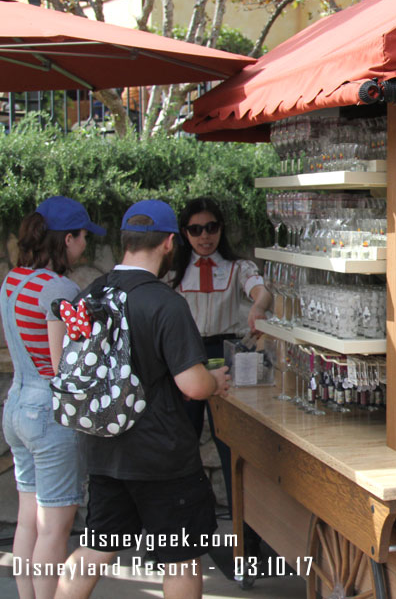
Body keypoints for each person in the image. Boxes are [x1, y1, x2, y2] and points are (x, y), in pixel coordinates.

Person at [55, 200, 230, 599]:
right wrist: (215, 380)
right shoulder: (165, 303)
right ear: (170, 242)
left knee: (94, 548)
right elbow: (192, 385)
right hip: (163, 458)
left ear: (125, 241)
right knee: (181, 560)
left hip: (103, 450)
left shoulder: (89, 295)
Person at [1, 196, 105, 599]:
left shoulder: (12, 280)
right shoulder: (61, 289)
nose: (85, 245)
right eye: (82, 237)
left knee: (29, 521)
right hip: (49, 414)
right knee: (54, 527)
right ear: (66, 240)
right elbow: (69, 359)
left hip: (16, 406)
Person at [169, 197, 271, 561]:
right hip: (186, 358)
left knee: (233, 449)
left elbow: (260, 288)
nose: (204, 236)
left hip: (229, 356)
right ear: (184, 234)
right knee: (180, 448)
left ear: (221, 229)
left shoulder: (239, 267)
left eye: (211, 227)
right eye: (195, 229)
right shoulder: (173, 272)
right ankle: (182, 536)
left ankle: (247, 542)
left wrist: (258, 305)